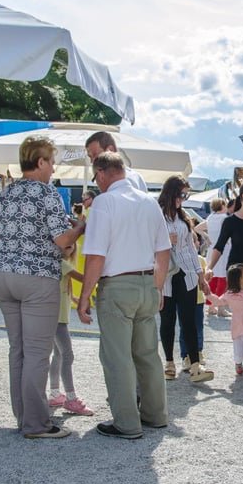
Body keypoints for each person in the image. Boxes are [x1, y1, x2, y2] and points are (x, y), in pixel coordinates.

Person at [0, 135, 87, 439]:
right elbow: (62, 240)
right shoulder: (46, 194)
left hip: (4, 274)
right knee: (36, 352)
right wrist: (81, 226)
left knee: (17, 350)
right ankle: (36, 423)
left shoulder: (5, 195)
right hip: (36, 277)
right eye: (52, 161)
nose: (53, 168)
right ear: (41, 161)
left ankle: (23, 417)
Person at [77, 151, 170, 440]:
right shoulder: (148, 201)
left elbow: (96, 257)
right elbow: (164, 250)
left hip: (117, 286)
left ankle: (127, 423)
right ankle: (156, 415)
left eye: (96, 177)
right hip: (146, 283)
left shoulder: (104, 203)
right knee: (148, 355)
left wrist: (84, 298)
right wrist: (158, 286)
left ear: (102, 172)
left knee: (117, 357)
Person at [157, 175, 212, 382]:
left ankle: (195, 364)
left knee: (189, 320)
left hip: (187, 273)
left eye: (186, 194)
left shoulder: (183, 218)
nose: (183, 198)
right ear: (171, 192)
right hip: (166, 275)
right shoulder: (157, 214)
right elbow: (148, 243)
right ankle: (169, 362)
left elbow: (190, 248)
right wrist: (163, 240)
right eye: (182, 194)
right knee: (167, 320)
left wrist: (200, 276)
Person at [47, 244, 94, 416]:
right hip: (58, 318)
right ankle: (71, 397)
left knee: (58, 355)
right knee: (67, 354)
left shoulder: (57, 263)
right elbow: (82, 278)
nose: (71, 248)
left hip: (54, 316)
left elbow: (65, 287)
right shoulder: (62, 263)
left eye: (71, 245)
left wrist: (74, 298)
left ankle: (54, 393)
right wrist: (98, 274)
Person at [195, 197, 231, 317]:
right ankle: (219, 307)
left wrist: (205, 236)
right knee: (223, 279)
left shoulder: (210, 218)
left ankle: (211, 305)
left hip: (212, 250)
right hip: (223, 250)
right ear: (222, 205)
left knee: (213, 278)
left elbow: (196, 228)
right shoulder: (225, 218)